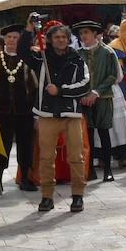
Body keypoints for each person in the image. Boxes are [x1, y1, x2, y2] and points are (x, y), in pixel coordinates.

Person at [35, 22, 92, 213]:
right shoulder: (40, 57)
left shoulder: (77, 59)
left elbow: (85, 85)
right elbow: (22, 53)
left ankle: (77, 196)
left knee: (76, 156)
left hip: (71, 114)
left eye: (63, 37)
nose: (60, 40)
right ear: (50, 40)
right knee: (45, 157)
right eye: (56, 37)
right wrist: (29, 29)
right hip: (47, 114)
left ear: (68, 40)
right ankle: (46, 197)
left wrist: (59, 91)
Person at [0, 23, 40, 192]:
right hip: (2, 112)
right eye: (9, 37)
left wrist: (36, 112)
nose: (11, 40)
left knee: (25, 145)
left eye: (15, 37)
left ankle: (25, 177)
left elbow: (35, 86)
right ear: (4, 39)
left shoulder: (27, 59)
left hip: (25, 111)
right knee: (1, 146)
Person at [73, 20, 118, 182]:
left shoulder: (107, 52)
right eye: (81, 33)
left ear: (94, 34)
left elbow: (112, 75)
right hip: (84, 100)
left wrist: (96, 92)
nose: (83, 36)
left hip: (103, 98)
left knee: (104, 133)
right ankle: (89, 168)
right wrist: (83, 95)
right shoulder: (76, 53)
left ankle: (107, 169)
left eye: (86, 32)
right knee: (88, 135)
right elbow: (75, 77)